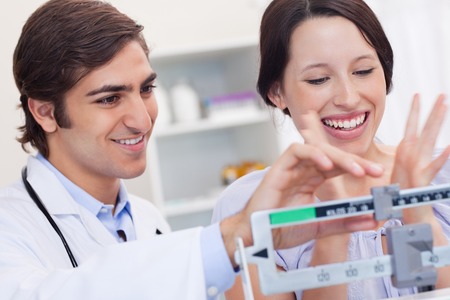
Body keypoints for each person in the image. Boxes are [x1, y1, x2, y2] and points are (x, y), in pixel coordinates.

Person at [0, 0, 388, 299]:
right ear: (45, 112)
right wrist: (234, 235)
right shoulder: (11, 227)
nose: (142, 118)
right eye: (109, 99)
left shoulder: (147, 220)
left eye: (146, 89)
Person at [211, 0, 450, 299]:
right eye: (319, 79)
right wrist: (332, 236)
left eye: (363, 71)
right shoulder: (248, 206)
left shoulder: (440, 175)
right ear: (277, 92)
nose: (348, 98)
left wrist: (421, 219)